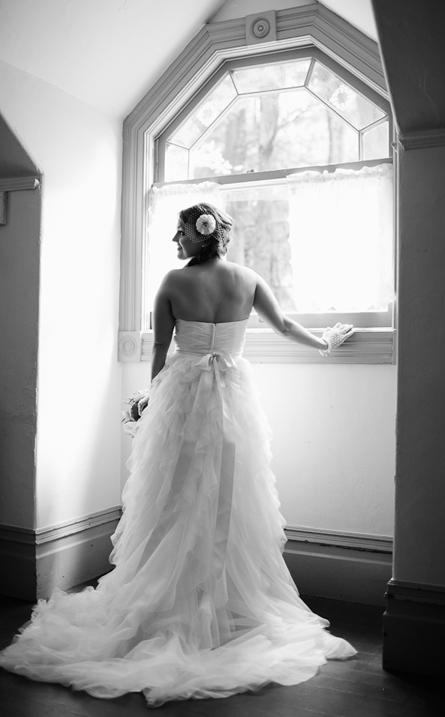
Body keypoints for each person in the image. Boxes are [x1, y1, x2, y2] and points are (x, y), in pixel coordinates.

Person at [0, 203, 358, 704]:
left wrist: (151, 402)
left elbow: (161, 352)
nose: (175, 240)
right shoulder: (249, 279)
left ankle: (178, 596)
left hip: (186, 399)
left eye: (181, 232)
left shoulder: (171, 282)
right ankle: (213, 599)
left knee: (174, 493)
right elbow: (282, 326)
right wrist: (324, 342)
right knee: (226, 495)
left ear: (200, 236)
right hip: (233, 399)